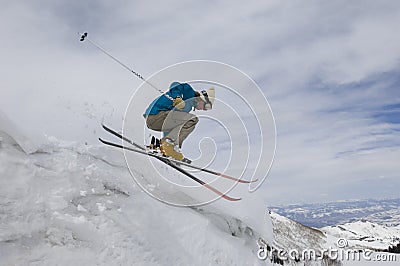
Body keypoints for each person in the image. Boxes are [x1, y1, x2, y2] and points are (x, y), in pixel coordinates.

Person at [143, 82, 215, 161]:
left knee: (183, 123)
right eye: (206, 106)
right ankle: (169, 145)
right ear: (202, 99)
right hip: (156, 114)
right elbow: (175, 85)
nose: (203, 109)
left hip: (156, 121)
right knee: (192, 120)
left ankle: (169, 147)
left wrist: (167, 147)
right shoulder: (189, 93)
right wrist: (177, 97)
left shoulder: (188, 107)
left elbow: (172, 128)